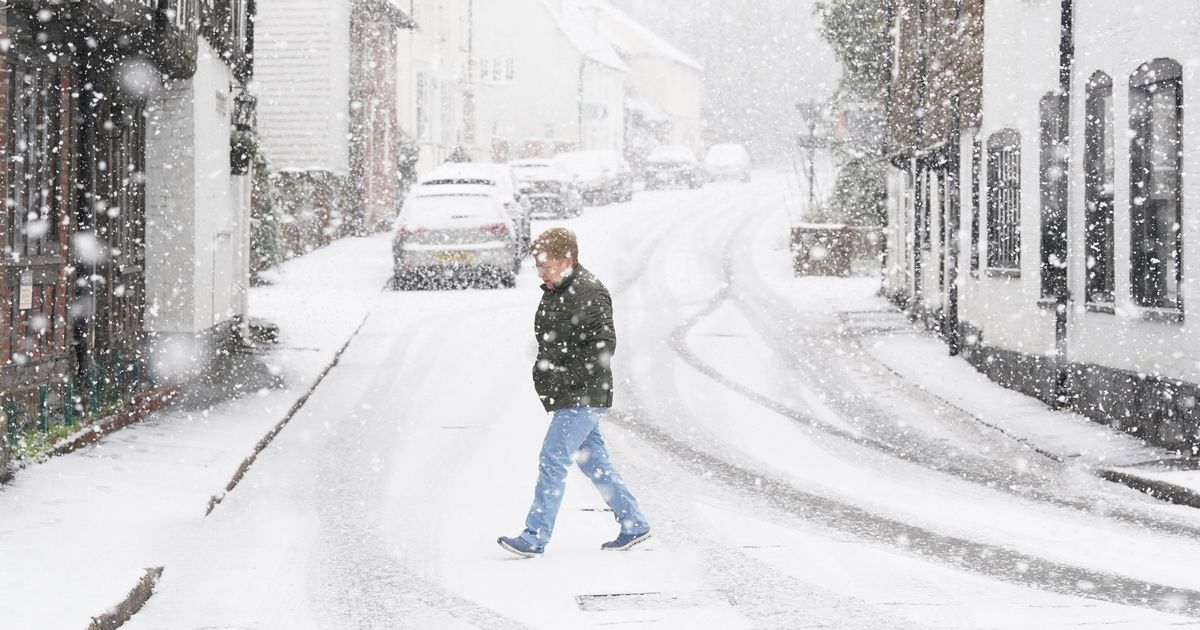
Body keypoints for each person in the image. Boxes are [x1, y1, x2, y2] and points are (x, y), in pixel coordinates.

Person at [497, 228, 651, 558]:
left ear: (567, 260)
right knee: (594, 461)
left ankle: (535, 535)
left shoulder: (589, 293)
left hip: (583, 395)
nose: (541, 274)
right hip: (572, 393)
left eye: (546, 267)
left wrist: (565, 378)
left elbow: (602, 347)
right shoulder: (560, 289)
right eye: (538, 268)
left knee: (552, 457)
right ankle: (635, 524)